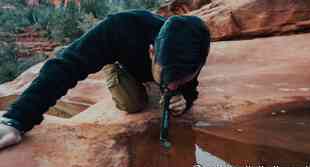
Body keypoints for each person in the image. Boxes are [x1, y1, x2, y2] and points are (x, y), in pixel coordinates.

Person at [0, 10, 211, 150]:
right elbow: (64, 67)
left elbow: (190, 86)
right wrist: (16, 120)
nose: (173, 85)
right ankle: (116, 70)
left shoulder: (192, 47)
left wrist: (185, 97)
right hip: (123, 62)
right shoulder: (119, 29)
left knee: (169, 88)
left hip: (157, 64)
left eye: (181, 79)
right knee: (132, 103)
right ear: (151, 51)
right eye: (168, 78)